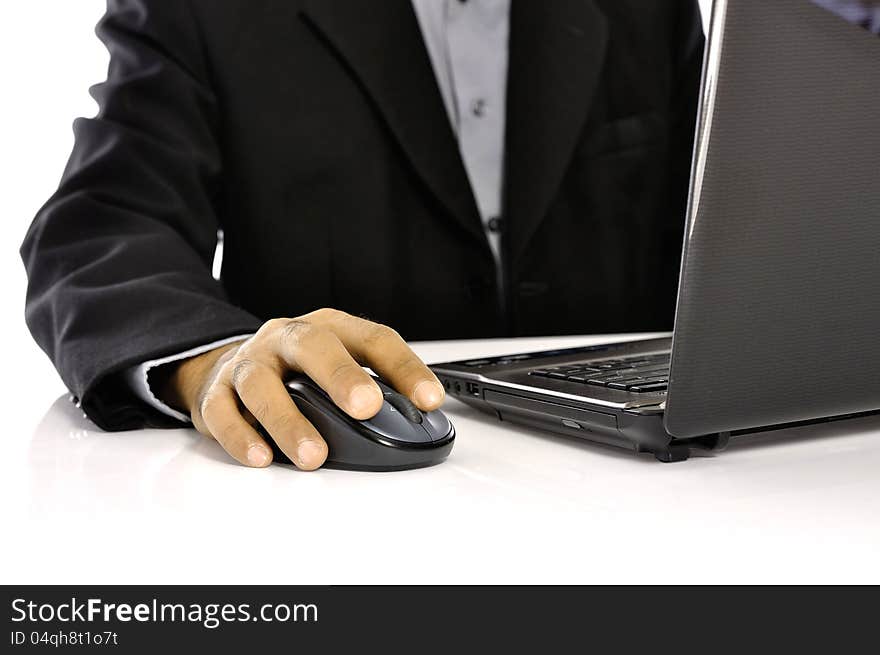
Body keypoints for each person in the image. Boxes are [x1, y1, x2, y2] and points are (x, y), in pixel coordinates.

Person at [21, 0, 704, 470]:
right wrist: (213, 361)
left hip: (650, 489)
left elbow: (729, 200)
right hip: (340, 513)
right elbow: (100, 229)